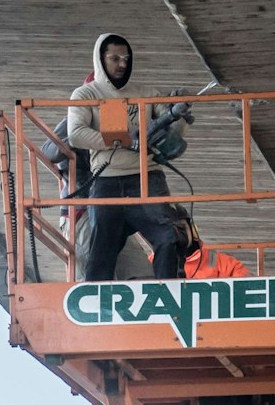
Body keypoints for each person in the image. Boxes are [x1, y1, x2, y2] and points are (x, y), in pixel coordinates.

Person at [67, 33, 189, 280]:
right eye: (114, 58)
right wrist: (124, 139)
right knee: (101, 251)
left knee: (168, 238)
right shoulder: (86, 95)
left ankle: (170, 294)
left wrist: (180, 114)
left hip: (146, 178)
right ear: (100, 60)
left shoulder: (146, 93)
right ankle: (95, 303)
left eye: (125, 58)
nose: (122, 64)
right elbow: (76, 135)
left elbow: (171, 135)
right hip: (107, 182)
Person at [172, 208, 249, 278]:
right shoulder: (160, 266)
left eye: (181, 228)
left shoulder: (220, 262)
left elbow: (249, 285)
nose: (176, 234)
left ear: (193, 230)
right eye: (168, 231)